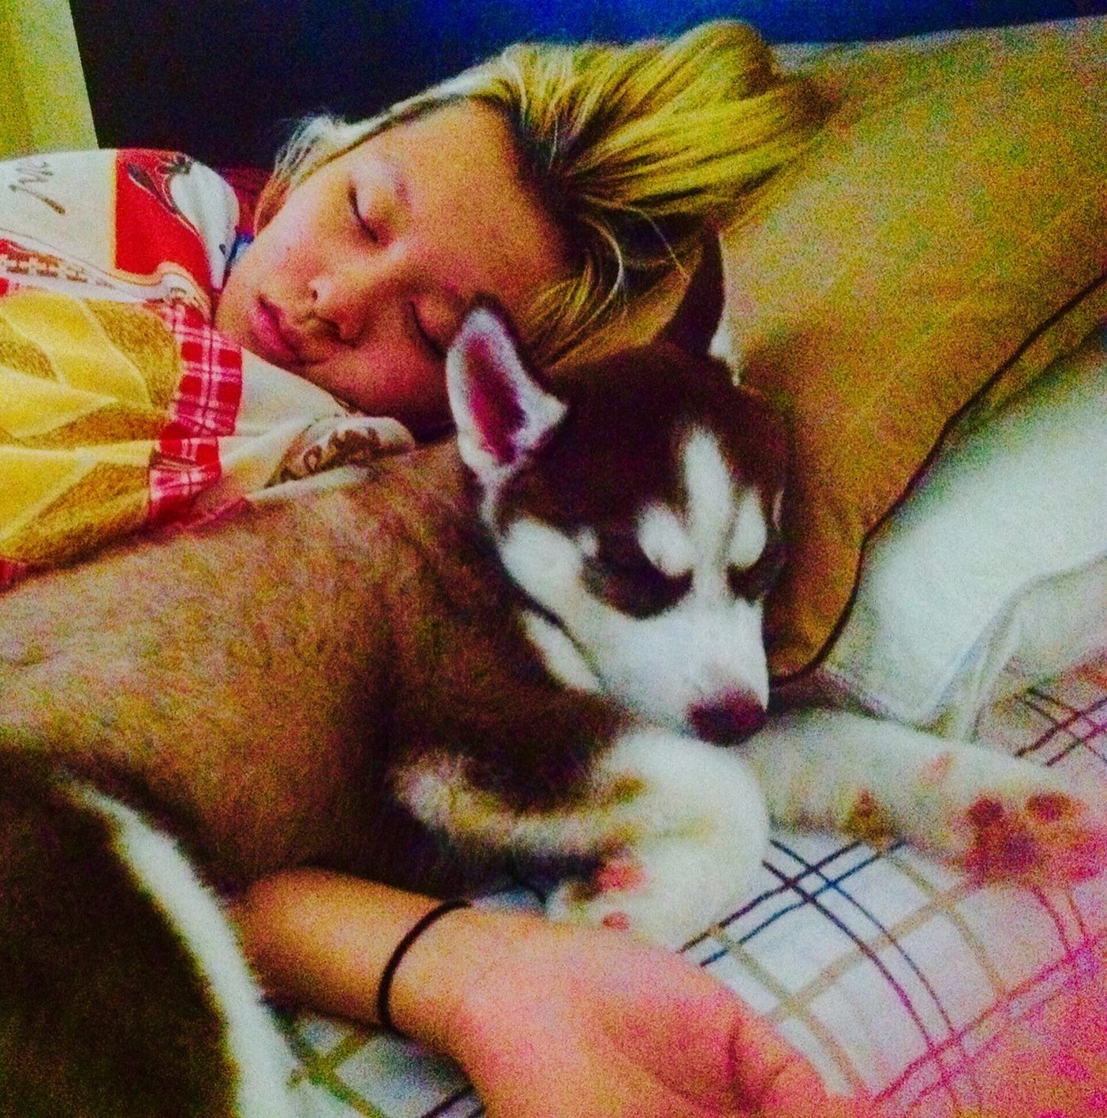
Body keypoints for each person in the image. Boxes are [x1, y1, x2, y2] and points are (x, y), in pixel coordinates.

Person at [207, 21, 870, 1118]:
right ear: (334, 146)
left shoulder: (318, 494)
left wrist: (474, 975)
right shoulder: (154, 207)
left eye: (430, 330)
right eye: (364, 211)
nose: (336, 295)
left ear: (481, 405)